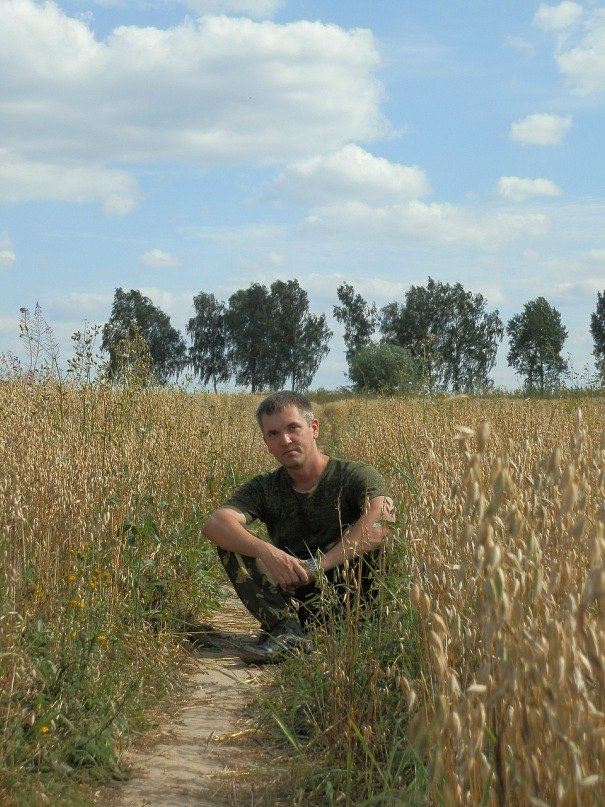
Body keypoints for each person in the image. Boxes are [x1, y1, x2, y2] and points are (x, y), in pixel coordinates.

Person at [202, 391, 395, 664]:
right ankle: (286, 630)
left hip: (352, 595)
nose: (285, 440)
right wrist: (268, 553)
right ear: (267, 443)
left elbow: (383, 519)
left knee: (376, 539)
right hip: (296, 595)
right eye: (273, 434)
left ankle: (359, 632)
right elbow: (216, 523)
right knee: (233, 542)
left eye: (293, 428)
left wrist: (318, 566)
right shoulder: (265, 487)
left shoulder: (353, 475)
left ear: (313, 428)